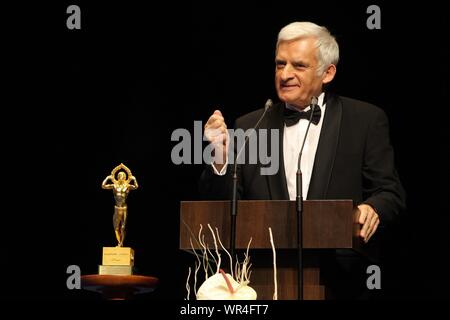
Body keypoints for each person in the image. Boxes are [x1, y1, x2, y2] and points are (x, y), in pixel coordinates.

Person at [200, 21, 406, 299]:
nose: (285, 74)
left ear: (327, 72)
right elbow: (222, 210)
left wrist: (373, 208)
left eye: (298, 66)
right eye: (279, 64)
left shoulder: (366, 120)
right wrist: (220, 158)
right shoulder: (250, 126)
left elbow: (390, 192)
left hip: (343, 280)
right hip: (264, 281)